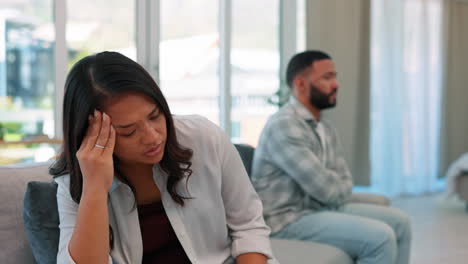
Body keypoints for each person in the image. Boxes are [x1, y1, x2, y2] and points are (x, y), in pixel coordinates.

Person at [50, 51, 276, 264]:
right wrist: (95, 188)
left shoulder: (203, 137)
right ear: (91, 134)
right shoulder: (77, 182)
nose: (152, 137)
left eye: (155, 116)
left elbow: (248, 227)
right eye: (128, 131)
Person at [251, 50, 411, 264]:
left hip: (318, 209)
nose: (336, 84)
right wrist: (335, 188)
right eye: (327, 77)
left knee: (401, 223)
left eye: (335, 76)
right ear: (300, 84)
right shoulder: (284, 125)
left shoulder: (324, 125)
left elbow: (344, 180)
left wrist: (335, 188)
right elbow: (326, 190)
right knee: (381, 237)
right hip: (287, 220)